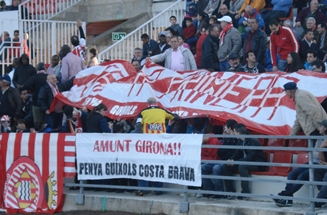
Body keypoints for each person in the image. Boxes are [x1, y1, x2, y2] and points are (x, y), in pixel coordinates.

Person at [273, 118, 326, 207]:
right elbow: (313, 155)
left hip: (320, 165)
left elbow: (319, 156)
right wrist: (320, 149)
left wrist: (320, 150)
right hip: (313, 162)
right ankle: (287, 198)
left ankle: (284, 196)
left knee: (302, 176)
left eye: (321, 126)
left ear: (325, 128)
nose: (319, 128)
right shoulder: (319, 138)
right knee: (292, 174)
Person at [135, 97, 178, 196]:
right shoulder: (162, 111)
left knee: (144, 166)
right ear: (157, 103)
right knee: (158, 166)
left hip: (147, 145)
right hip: (160, 144)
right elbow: (175, 117)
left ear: (147, 104)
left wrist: (137, 137)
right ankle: (158, 189)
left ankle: (143, 189)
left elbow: (138, 125)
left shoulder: (142, 112)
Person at [222, 123, 266, 199]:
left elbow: (251, 157)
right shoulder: (240, 141)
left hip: (257, 163)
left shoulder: (253, 141)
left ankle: (245, 192)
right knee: (226, 166)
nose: (234, 134)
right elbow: (237, 153)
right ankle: (230, 191)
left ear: (238, 133)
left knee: (242, 166)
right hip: (246, 162)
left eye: (235, 132)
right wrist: (231, 160)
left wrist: (236, 162)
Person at [201, 119, 239, 198]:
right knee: (202, 168)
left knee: (216, 168)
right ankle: (210, 191)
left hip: (228, 162)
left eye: (226, 127)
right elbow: (220, 152)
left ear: (230, 128)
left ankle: (219, 193)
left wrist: (225, 153)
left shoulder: (237, 139)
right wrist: (225, 153)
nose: (224, 129)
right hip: (221, 160)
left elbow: (233, 153)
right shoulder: (227, 138)